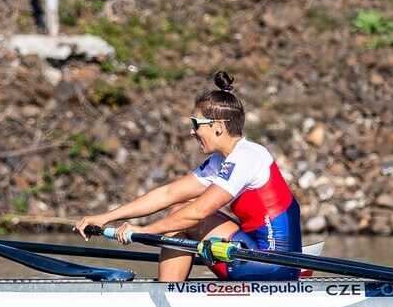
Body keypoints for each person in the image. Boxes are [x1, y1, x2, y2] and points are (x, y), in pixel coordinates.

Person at [74, 71, 302, 282]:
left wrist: (145, 231)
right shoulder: (220, 161)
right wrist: (106, 217)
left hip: (273, 264)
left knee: (183, 216)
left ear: (218, 127)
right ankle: (169, 293)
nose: (192, 131)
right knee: (178, 212)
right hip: (252, 251)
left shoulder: (246, 158)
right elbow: (168, 193)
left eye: (196, 123)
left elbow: (198, 212)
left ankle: (168, 294)